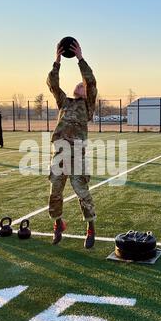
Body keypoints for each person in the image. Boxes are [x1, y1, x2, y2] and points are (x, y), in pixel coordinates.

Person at [47, 40, 97, 249]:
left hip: (77, 156)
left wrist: (80, 59)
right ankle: (58, 225)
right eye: (77, 84)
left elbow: (91, 81)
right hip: (59, 155)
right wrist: (57, 62)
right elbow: (52, 84)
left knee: (82, 193)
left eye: (81, 86)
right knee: (55, 193)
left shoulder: (88, 105)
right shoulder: (64, 102)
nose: (79, 85)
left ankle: (91, 228)